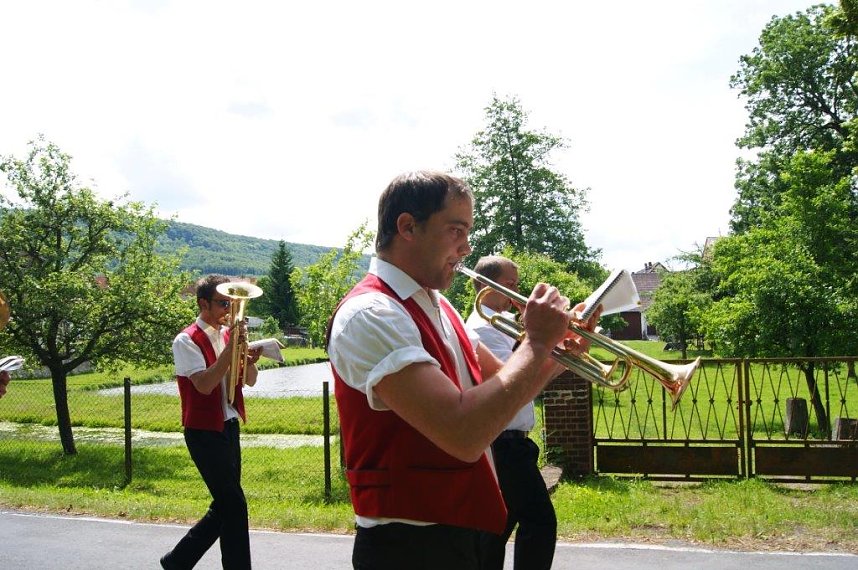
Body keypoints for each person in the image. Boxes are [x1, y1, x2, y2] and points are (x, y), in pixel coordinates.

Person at [327, 171, 601, 569]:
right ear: (407, 227)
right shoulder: (371, 313)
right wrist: (538, 343)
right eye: (456, 230)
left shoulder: (439, 306)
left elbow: (502, 388)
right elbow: (463, 432)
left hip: (459, 535)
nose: (467, 247)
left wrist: (559, 350)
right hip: (406, 545)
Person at [160, 274, 262, 570]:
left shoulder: (229, 336)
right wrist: (230, 355)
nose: (229, 310)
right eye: (222, 303)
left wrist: (247, 362)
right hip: (203, 431)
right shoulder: (186, 339)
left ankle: (177, 561)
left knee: (225, 506)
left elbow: (249, 382)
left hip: (229, 425)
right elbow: (203, 385)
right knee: (234, 505)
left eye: (231, 304)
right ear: (203, 303)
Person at [465, 255, 557, 569]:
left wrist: (562, 347)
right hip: (502, 442)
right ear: (486, 285)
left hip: (510, 441)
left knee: (496, 529)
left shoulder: (503, 326)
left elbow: (531, 379)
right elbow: (510, 382)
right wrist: (540, 340)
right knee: (540, 522)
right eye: (510, 285)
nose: (518, 291)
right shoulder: (483, 326)